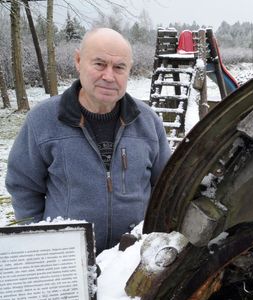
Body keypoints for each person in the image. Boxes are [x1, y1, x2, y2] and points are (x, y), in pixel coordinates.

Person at [6, 28, 171, 254]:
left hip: (131, 261)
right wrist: (39, 244)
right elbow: (23, 186)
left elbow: (167, 187)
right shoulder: (43, 120)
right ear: (78, 61)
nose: (109, 76)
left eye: (119, 67)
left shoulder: (148, 122)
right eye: (100, 64)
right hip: (67, 260)